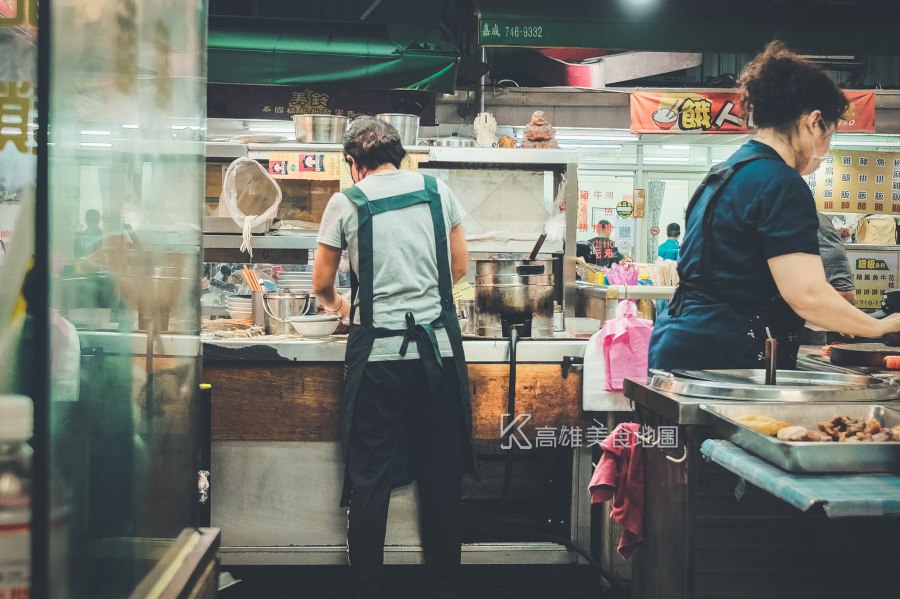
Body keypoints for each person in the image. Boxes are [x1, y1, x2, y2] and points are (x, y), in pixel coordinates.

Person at [650, 41, 900, 371]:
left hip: (678, 345)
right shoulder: (781, 183)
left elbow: (740, 282)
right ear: (814, 122)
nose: (825, 147)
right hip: (728, 358)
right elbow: (807, 295)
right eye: (829, 135)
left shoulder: (725, 173)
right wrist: (881, 327)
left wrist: (839, 317)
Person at [312, 116, 473, 599]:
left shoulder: (346, 201)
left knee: (370, 479)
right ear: (399, 155)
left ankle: (366, 588)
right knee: (441, 479)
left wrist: (346, 309)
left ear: (353, 165)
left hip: (378, 361)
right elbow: (459, 266)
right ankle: (443, 585)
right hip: (438, 356)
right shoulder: (437, 191)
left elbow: (321, 286)